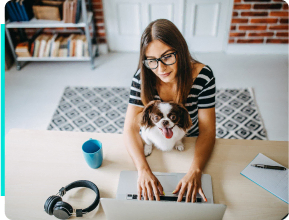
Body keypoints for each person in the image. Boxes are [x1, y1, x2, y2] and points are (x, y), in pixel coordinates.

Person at [123, 19, 216, 203]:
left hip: (189, 141)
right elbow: (130, 129)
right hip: (153, 141)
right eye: (152, 61)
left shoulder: (203, 76)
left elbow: (207, 130)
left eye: (167, 57)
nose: (161, 68)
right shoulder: (142, 77)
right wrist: (143, 170)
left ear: (180, 50)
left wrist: (196, 170)